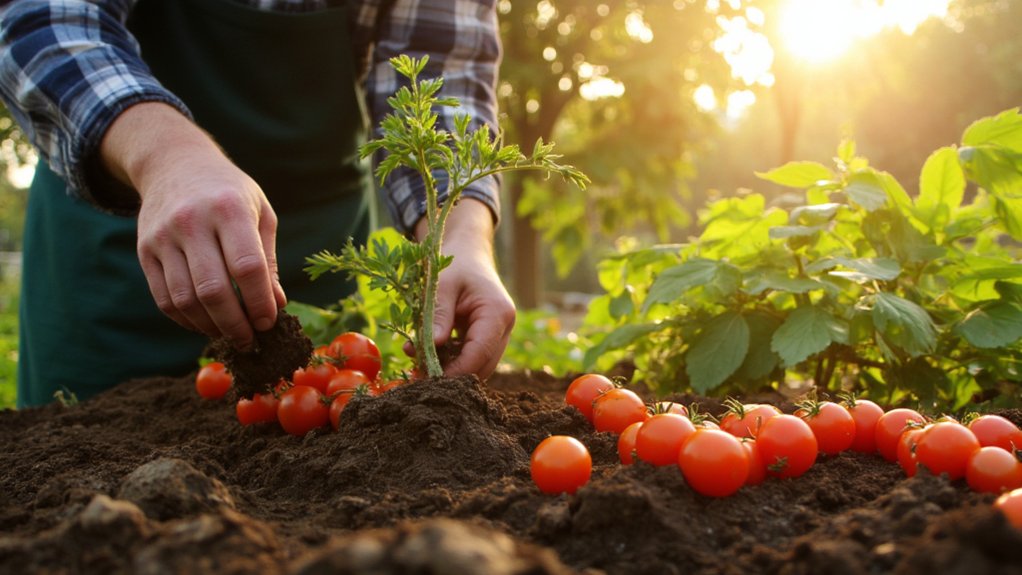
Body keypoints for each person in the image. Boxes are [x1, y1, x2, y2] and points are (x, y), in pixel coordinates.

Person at [0, 0, 516, 408]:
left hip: (314, 244)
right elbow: (46, 20)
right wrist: (167, 157)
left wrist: (462, 237)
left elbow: (440, 72)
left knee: (318, 469)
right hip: (119, 240)